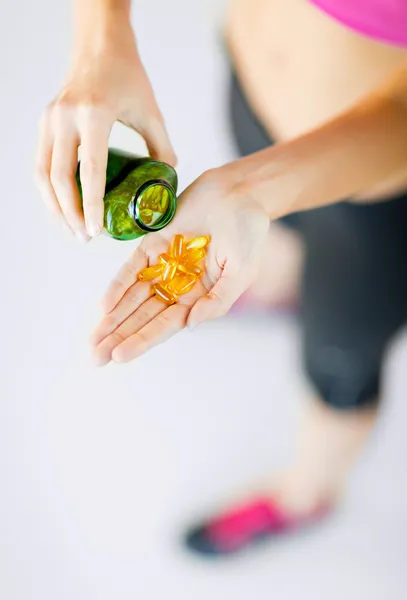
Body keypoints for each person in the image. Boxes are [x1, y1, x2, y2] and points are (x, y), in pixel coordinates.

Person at [35, 0, 407, 556]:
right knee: (272, 241)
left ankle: (307, 494)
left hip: (374, 197)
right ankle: (281, 289)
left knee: (338, 370)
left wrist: (253, 192)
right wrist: (100, 36)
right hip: (252, 99)